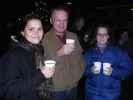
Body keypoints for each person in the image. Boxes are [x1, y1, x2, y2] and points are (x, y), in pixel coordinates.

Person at [0, 13, 55, 100]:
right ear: (22, 32)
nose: (36, 33)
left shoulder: (38, 50)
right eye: (31, 29)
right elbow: (7, 91)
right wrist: (41, 75)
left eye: (39, 29)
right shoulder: (13, 55)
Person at [42, 6, 84, 100]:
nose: (62, 24)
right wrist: (59, 53)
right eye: (58, 20)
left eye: (64, 20)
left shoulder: (73, 36)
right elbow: (41, 65)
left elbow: (81, 58)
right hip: (56, 91)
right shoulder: (44, 39)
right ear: (51, 21)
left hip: (73, 87)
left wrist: (78, 76)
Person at [84, 24, 133, 100]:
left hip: (111, 96)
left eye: (105, 34)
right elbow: (82, 70)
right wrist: (90, 71)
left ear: (108, 36)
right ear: (96, 36)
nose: (102, 37)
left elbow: (129, 70)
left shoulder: (118, 52)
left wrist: (114, 72)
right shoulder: (89, 53)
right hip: (91, 95)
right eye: (99, 34)